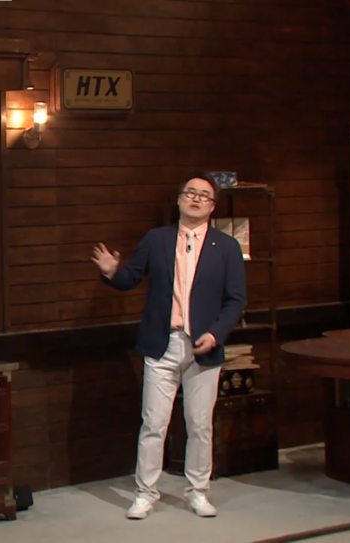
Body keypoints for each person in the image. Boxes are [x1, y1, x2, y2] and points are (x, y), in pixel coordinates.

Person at [91, 171, 246, 520]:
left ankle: (198, 492)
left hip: (204, 348)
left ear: (213, 206)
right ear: (179, 200)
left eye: (204, 195)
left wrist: (216, 333)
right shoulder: (157, 239)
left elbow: (236, 300)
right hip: (162, 344)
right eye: (190, 192)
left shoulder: (227, 247)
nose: (196, 198)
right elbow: (130, 278)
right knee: (153, 424)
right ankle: (145, 493)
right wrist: (113, 271)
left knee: (199, 424)